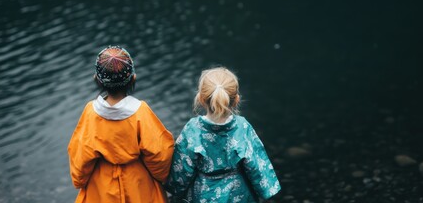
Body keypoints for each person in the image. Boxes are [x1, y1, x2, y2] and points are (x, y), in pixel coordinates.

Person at [68, 46, 174, 203]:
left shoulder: (91, 112)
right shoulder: (140, 111)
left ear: (97, 79)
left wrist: (79, 180)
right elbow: (159, 154)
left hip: (101, 188)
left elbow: (81, 157)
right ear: (133, 78)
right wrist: (161, 177)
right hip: (138, 185)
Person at [165, 67, 281, 202]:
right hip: (239, 194)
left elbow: (182, 168)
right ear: (236, 99)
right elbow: (257, 163)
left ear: (201, 99)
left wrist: (175, 190)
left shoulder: (193, 129)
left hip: (204, 194)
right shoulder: (242, 127)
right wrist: (266, 190)